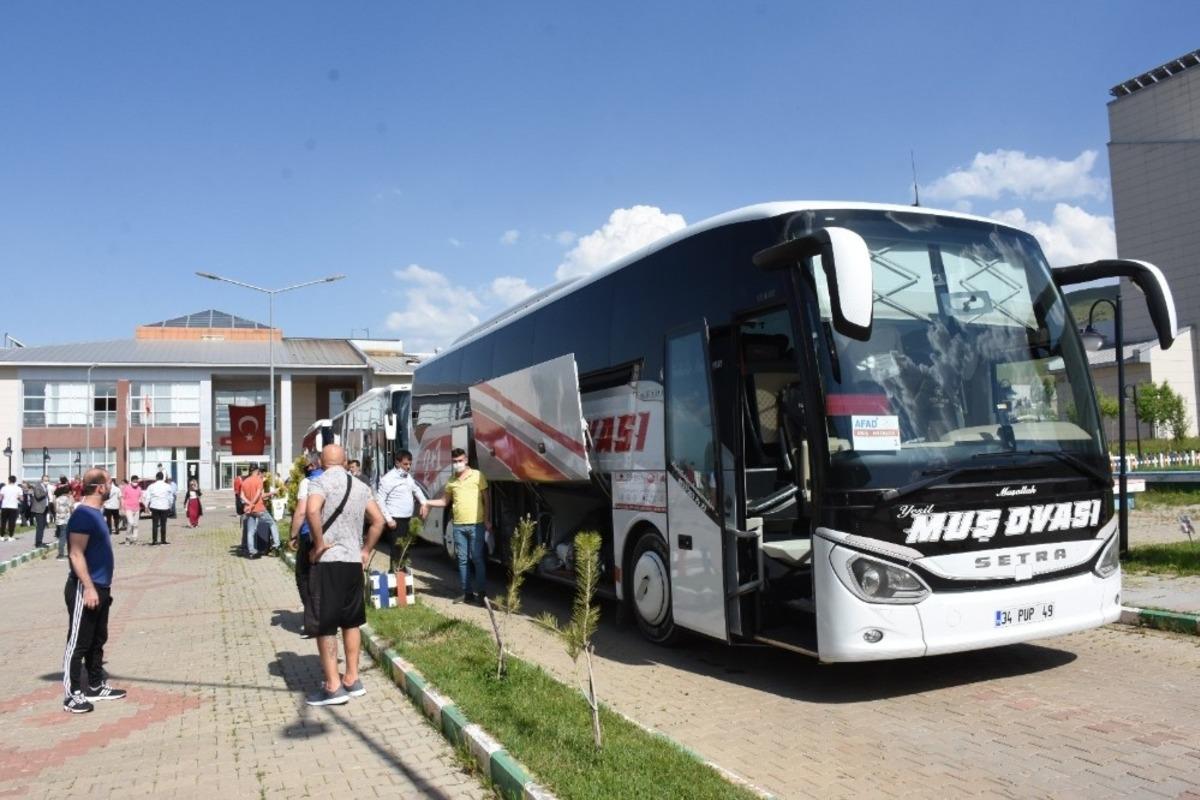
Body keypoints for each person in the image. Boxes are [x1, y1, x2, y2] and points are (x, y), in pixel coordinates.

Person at [303, 444, 384, 706]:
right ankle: (352, 678)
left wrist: (318, 544)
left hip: (329, 561)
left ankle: (333, 686)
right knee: (351, 622)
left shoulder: (320, 482)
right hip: (352, 563)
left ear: (322, 462)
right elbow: (378, 520)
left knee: (325, 624)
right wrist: (365, 551)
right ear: (346, 460)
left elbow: (312, 510)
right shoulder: (360, 486)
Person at [62, 467, 127, 713]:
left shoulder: (95, 514)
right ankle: (72, 695)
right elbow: (75, 553)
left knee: (97, 639)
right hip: (84, 588)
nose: (111, 486)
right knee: (78, 642)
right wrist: (88, 587)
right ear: (100, 487)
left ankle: (96, 685)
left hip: (101, 587)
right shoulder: (83, 516)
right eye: (109, 482)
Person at [423, 448, 490, 605]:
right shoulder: (451, 481)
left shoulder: (477, 476)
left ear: (466, 460)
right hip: (458, 526)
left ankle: (481, 593)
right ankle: (467, 593)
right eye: (454, 462)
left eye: (460, 461)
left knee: (478, 559)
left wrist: (487, 519)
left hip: (476, 524)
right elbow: (444, 502)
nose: (457, 464)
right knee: (462, 560)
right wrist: (427, 502)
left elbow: (487, 499)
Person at [375, 450, 428, 571]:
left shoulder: (407, 476)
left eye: (410, 464)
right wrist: (389, 520)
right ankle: (394, 579)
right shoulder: (388, 479)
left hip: (407, 518)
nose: (408, 467)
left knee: (406, 549)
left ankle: (402, 578)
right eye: (405, 464)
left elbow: (416, 489)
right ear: (397, 463)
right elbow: (380, 500)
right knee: (397, 550)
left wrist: (424, 503)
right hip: (395, 520)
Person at [289, 458, 323, 638]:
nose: (306, 469)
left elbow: (302, 511)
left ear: (313, 466)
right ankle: (328, 617)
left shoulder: (307, 482)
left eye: (307, 466)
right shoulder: (336, 479)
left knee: (304, 576)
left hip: (309, 535)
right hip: (330, 536)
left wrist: (293, 535)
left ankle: (313, 622)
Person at [240, 465, 279, 558]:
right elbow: (259, 494)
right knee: (272, 523)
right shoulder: (259, 480)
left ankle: (252, 551)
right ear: (257, 471)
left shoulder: (245, 481)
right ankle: (276, 546)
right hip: (259, 508)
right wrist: (252, 503)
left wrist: (249, 504)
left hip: (250, 511)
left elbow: (241, 496)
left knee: (250, 531)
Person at [143, 472, 173, 545]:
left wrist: (146, 506)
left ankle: (154, 540)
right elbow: (171, 497)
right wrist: (170, 506)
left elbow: (147, 497)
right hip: (164, 506)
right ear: (163, 478)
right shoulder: (167, 486)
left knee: (155, 524)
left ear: (156, 478)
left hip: (155, 506)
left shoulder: (151, 486)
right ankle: (163, 540)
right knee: (163, 524)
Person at [29, 476, 51, 548]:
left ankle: (40, 541)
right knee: (40, 526)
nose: (46, 482)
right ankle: (38, 543)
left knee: (43, 526)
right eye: (45, 480)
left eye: (47, 480)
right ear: (42, 480)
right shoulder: (38, 486)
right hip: (38, 509)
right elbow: (38, 496)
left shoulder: (45, 487)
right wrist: (45, 493)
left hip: (44, 509)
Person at [54, 484, 74, 560]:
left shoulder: (57, 499)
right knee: (64, 537)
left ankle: (63, 553)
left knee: (61, 536)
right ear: (68, 492)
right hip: (66, 520)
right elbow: (71, 508)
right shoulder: (68, 499)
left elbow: (55, 510)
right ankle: (61, 554)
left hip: (59, 520)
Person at [121, 476, 143, 545]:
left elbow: (141, 497)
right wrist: (122, 507)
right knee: (130, 522)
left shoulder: (139, 488)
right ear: (131, 481)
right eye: (134, 481)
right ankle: (127, 538)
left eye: (137, 481)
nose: (135, 483)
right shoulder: (126, 488)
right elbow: (122, 498)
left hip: (137, 508)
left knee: (136, 524)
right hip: (128, 508)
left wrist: (142, 502)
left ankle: (135, 539)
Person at [0, 476, 22, 541]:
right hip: (13, 507)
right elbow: (21, 498)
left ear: (8, 480)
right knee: (12, 522)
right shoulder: (18, 488)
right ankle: (10, 536)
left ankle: (1, 536)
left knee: (3, 522)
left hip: (4, 506)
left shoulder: (4, 488)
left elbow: (0, 498)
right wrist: (17, 497)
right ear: (15, 481)